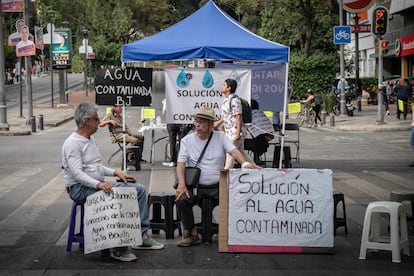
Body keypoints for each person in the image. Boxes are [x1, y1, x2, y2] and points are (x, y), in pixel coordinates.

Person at [61, 103, 164, 262]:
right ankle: (119, 247)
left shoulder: (90, 139)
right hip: (79, 189)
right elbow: (77, 174)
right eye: (96, 119)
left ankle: (142, 235)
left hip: (93, 184)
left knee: (139, 189)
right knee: (121, 194)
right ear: (87, 121)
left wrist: (115, 172)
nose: (99, 123)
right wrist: (99, 185)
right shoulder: (73, 143)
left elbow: (97, 166)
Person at [175, 107, 261, 247]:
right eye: (196, 121)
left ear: (211, 124)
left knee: (239, 197)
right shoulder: (187, 140)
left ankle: (236, 232)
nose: (197, 125)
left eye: (202, 122)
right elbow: (180, 164)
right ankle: (191, 233)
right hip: (196, 187)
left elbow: (234, 151)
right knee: (181, 199)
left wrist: (245, 163)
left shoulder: (220, 137)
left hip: (217, 186)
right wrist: (182, 184)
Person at [214, 78, 253, 169]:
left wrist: (237, 133)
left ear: (229, 88)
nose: (222, 87)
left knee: (230, 152)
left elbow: (238, 116)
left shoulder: (235, 100)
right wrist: (217, 123)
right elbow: (226, 116)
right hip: (230, 132)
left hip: (235, 132)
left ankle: (225, 175)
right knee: (241, 153)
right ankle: (256, 169)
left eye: (224, 85)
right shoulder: (226, 100)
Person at [161, 98, 192, 167]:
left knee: (172, 141)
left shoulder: (167, 100)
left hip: (171, 122)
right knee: (182, 141)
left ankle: (173, 160)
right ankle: (182, 160)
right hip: (181, 121)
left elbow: (164, 112)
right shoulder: (183, 99)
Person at [244, 99, 275, 164]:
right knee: (259, 138)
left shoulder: (247, 114)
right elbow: (270, 131)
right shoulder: (261, 114)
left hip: (249, 142)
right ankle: (256, 158)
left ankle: (240, 161)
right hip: (263, 143)